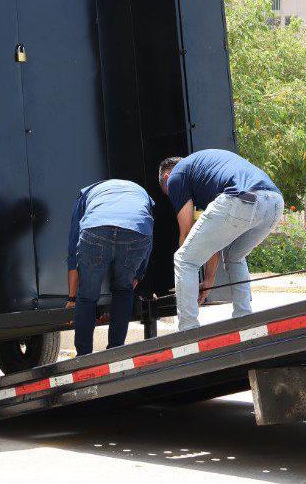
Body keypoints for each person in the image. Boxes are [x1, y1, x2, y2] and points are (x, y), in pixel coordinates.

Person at [159, 149, 284, 331]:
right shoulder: (204, 173)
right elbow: (212, 239)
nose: (173, 198)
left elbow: (186, 234)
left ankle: (188, 329)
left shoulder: (176, 176)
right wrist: (209, 280)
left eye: (169, 193)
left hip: (240, 199)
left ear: (167, 176)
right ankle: (244, 319)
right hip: (274, 203)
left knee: (183, 259)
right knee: (235, 256)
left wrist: (187, 274)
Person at [66, 180, 154, 356]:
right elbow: (149, 235)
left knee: (87, 296)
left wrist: (72, 297)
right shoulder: (142, 193)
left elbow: (73, 242)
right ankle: (115, 352)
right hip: (136, 231)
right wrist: (139, 273)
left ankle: (83, 356)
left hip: (95, 229)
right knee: (123, 290)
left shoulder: (86, 194)